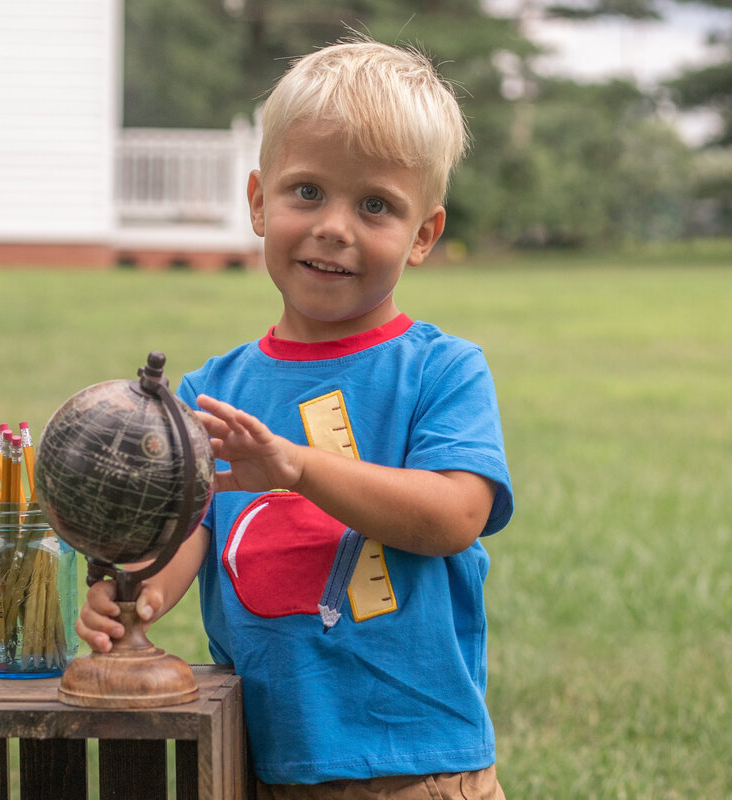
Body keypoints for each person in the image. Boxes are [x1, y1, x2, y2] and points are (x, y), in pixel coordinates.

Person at [77, 36, 514, 800]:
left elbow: (455, 516)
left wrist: (297, 468)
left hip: (414, 760)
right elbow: (192, 527)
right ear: (257, 202)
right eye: (307, 192)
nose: (334, 226)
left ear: (423, 235)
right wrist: (139, 596)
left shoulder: (441, 370)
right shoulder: (213, 389)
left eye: (375, 205)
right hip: (262, 756)